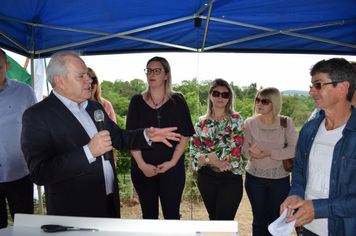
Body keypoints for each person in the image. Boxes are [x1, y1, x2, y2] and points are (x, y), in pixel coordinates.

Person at [20, 50, 181, 218]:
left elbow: (117, 137)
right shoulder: (37, 115)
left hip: (109, 203)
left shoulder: (93, 107)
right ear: (60, 81)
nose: (89, 80)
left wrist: (147, 135)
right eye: (81, 76)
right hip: (74, 211)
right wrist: (88, 152)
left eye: (88, 75)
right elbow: (40, 172)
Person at [280, 58, 356, 235]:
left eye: (319, 84)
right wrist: (296, 194)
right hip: (306, 228)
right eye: (311, 85)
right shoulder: (309, 129)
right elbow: (299, 168)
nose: (311, 91)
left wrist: (319, 209)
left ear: (343, 88)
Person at [126, 56, 194, 219]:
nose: (152, 74)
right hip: (142, 168)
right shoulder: (136, 101)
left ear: (167, 75)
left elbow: (185, 134)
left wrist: (172, 162)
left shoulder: (178, 100)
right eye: (149, 70)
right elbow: (130, 137)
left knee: (172, 216)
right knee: (149, 216)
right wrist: (142, 165)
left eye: (157, 70)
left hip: (172, 168)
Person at [242, 87, 297, 235]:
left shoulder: (286, 122)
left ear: (275, 103)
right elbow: (244, 151)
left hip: (280, 180)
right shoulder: (249, 123)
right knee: (259, 220)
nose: (259, 103)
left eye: (265, 101)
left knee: (276, 220)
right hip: (254, 179)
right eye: (257, 100)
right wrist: (252, 154)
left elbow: (293, 150)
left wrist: (269, 153)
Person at [190, 78, 245, 220]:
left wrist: (206, 158)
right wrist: (215, 162)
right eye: (216, 93)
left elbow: (235, 149)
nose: (220, 97)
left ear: (229, 98)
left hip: (230, 177)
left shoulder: (236, 119)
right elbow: (194, 151)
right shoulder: (201, 121)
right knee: (213, 219)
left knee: (224, 222)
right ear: (210, 95)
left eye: (225, 94)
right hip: (206, 177)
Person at [0, 48, 37, 228]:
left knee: (24, 227)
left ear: (7, 66)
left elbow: (36, 127)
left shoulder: (24, 92)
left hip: (19, 171)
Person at [88, 67, 118, 163]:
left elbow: (115, 133)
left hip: (106, 156)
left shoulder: (106, 105)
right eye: (86, 80)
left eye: (93, 80)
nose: (90, 84)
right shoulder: (73, 106)